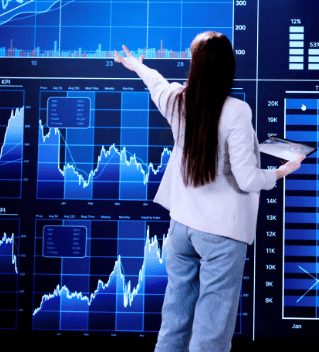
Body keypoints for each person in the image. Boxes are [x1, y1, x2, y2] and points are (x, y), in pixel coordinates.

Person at [114, 32, 304, 352]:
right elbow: (245, 179)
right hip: (222, 233)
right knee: (211, 335)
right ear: (228, 67)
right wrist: (279, 172)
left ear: (195, 66)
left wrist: (137, 66)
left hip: (182, 228)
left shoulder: (178, 100)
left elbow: (157, 83)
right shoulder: (237, 111)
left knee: (174, 325)